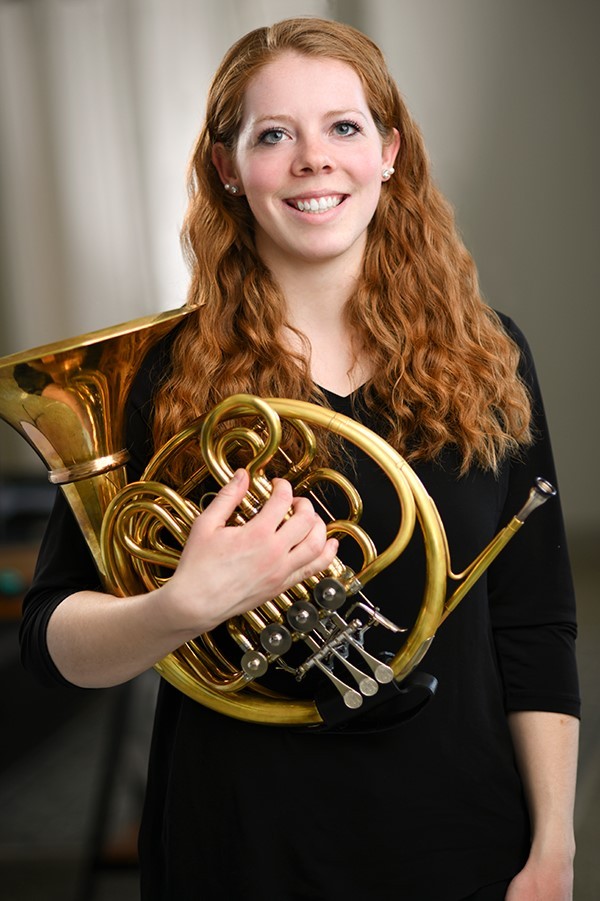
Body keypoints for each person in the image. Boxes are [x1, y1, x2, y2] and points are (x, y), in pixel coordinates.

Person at [20, 17, 579, 901]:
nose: (314, 159)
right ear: (227, 170)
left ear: (389, 153)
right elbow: (51, 640)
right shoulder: (158, 375)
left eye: (344, 127)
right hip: (241, 842)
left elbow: (535, 625)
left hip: (461, 833)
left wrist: (554, 845)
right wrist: (182, 604)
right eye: (273, 135)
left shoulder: (490, 354)